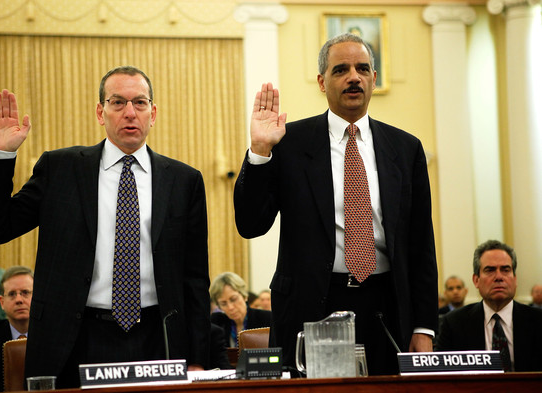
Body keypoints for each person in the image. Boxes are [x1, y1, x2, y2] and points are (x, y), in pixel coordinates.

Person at [0, 66, 210, 388]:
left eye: (140, 103)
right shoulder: (61, 169)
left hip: (158, 336)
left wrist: (196, 356)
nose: (130, 113)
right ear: (101, 112)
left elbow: (194, 278)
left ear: (153, 113)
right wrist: (1, 155)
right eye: (117, 103)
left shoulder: (184, 181)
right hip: (76, 336)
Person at [234, 33, 438, 375]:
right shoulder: (289, 144)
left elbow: (421, 246)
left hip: (385, 305)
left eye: (362, 68)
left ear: (374, 78)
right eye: (340, 69)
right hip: (312, 305)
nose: (353, 77)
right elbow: (251, 224)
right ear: (321, 82)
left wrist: (424, 328)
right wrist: (260, 152)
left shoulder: (406, 149)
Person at [436, 240, 542, 372]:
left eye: (505, 270)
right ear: (476, 280)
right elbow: (442, 377)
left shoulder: (538, 321)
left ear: (515, 279)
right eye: (490, 270)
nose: (499, 277)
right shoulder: (454, 323)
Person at [209, 272, 272, 348]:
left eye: (233, 299)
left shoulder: (267, 318)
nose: (230, 307)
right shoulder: (217, 322)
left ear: (244, 296)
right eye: (223, 303)